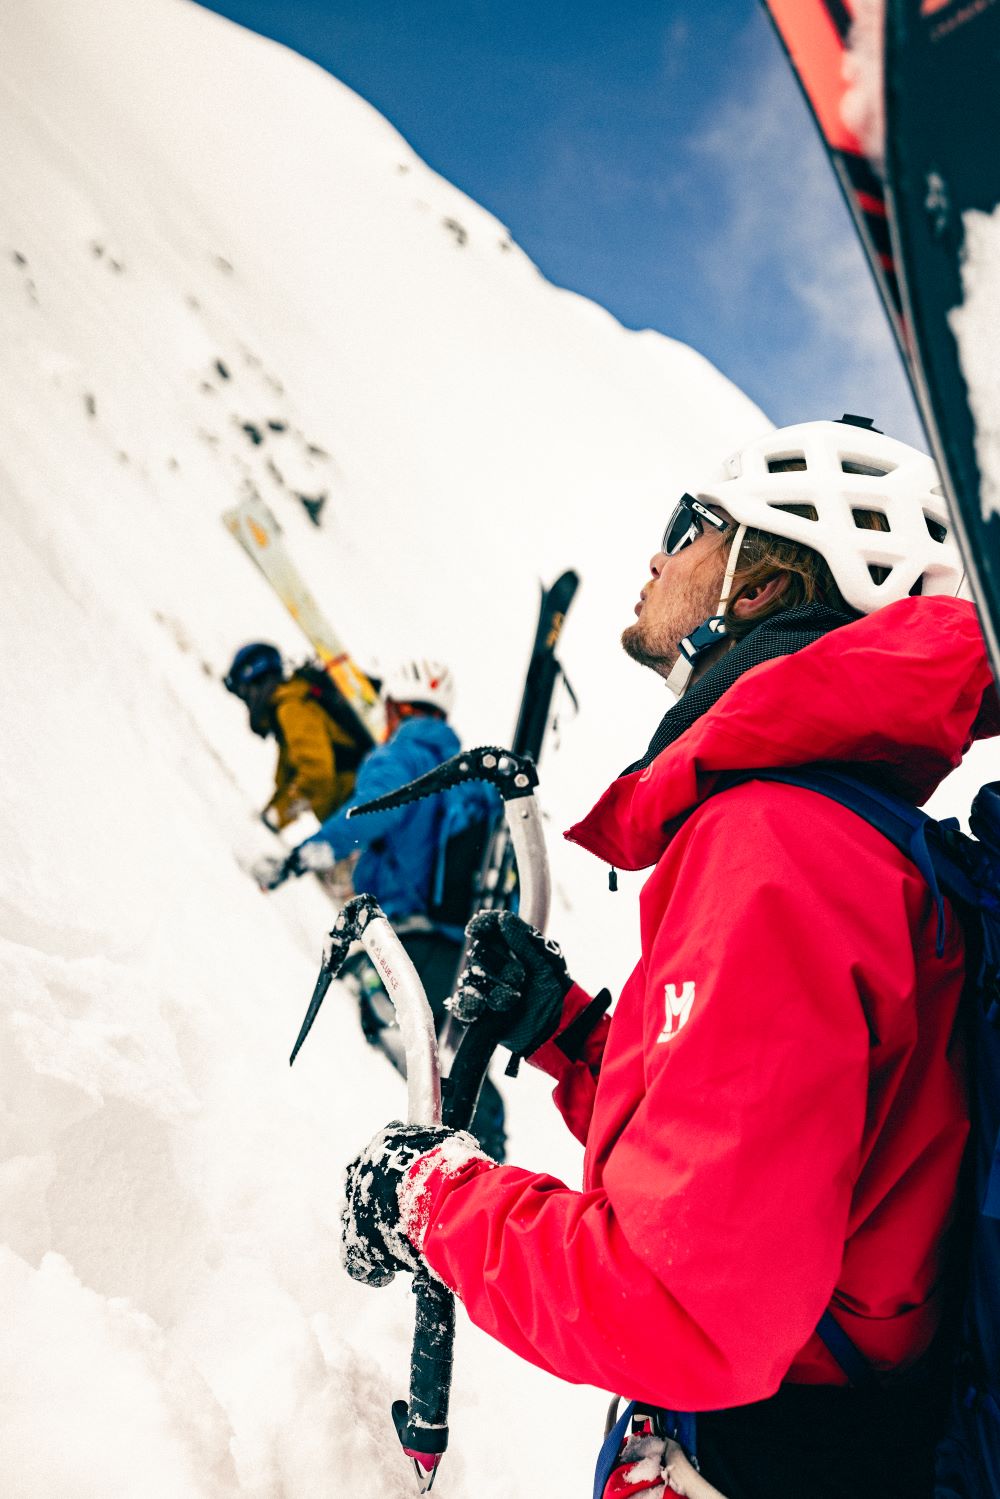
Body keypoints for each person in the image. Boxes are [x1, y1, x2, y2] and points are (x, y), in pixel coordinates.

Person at [338, 417, 999, 1498]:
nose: (656, 557)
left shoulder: (778, 842)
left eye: (688, 528)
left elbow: (682, 1304)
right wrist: (572, 1037)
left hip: (762, 1457)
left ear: (755, 585)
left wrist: (430, 1199)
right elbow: (813, 1161)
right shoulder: (865, 842)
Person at [264, 658, 508, 1163]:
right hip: (460, 949)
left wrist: (304, 854)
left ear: (395, 708)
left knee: (402, 1041)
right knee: (456, 1064)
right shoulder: (472, 780)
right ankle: (486, 1163)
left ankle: (463, 1165)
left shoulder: (402, 757)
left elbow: (372, 813)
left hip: (407, 940)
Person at [223, 642, 365, 830]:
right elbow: (288, 780)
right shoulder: (286, 709)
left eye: (245, 693)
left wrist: (277, 817)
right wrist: (269, 817)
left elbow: (317, 774)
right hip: (353, 815)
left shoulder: (291, 708)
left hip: (358, 811)